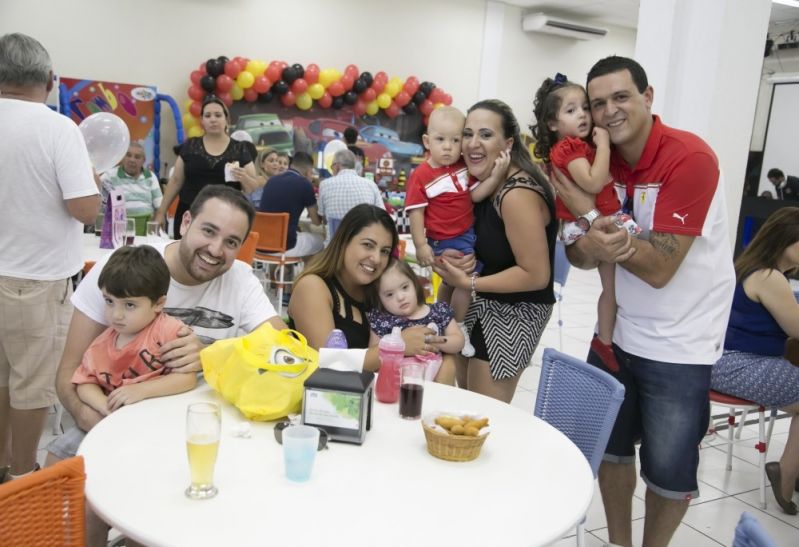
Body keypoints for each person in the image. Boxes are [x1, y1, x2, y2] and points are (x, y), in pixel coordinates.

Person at [551, 56, 735, 547]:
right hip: (614, 334)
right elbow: (577, 251)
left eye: (621, 97)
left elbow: (658, 269)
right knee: (609, 451)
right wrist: (589, 234)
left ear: (648, 97)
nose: (609, 111)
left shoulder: (689, 158)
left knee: (669, 472)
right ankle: (619, 543)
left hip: (680, 345)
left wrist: (592, 216)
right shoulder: (596, 157)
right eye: (597, 103)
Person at [48, 185, 286, 466]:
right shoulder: (122, 271)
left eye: (231, 242)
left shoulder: (241, 281)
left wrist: (212, 355)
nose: (215, 249)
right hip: (115, 416)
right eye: (208, 231)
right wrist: (89, 417)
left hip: (194, 424)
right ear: (185, 223)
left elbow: (283, 348)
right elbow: (68, 373)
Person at [0, 32, 100, 483]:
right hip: (34, 281)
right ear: (48, 80)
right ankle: (22, 477)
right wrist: (92, 181)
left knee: (2, 380)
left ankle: (3, 466)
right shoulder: (58, 128)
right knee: (31, 386)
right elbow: (84, 208)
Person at [433, 100, 556, 404]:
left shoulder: (516, 194)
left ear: (508, 144)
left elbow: (536, 275)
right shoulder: (482, 184)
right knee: (463, 405)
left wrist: (469, 283)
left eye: (486, 135)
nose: (473, 144)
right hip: (475, 306)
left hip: (512, 315)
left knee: (484, 417)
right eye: (468, 134)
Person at [531, 74, 640, 372]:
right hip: (586, 222)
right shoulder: (569, 149)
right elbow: (592, 182)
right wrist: (603, 145)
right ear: (552, 123)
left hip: (594, 217)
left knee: (613, 289)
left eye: (584, 108)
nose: (582, 115)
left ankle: (605, 341)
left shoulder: (578, 146)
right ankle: (605, 341)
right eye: (570, 110)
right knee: (635, 256)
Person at [710, 207, 799, 515]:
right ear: (786, 240)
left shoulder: (749, 266)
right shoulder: (770, 276)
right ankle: (787, 473)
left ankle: (791, 470)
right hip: (739, 364)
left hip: (722, 361)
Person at [405, 106, 507, 359]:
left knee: (451, 283)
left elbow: (473, 196)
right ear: (427, 142)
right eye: (441, 140)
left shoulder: (462, 167)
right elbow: (416, 213)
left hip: (466, 234)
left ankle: (440, 319)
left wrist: (495, 177)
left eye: (455, 140)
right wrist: (421, 245)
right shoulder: (421, 175)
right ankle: (458, 326)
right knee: (464, 281)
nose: (448, 147)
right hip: (443, 239)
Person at [288, 204, 443, 370]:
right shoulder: (312, 287)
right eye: (368, 245)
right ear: (344, 241)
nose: (376, 258)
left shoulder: (381, 290)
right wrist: (398, 346)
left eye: (384, 251)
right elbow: (328, 364)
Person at [72, 246, 196, 417]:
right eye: (109, 301)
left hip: (164, 419)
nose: (116, 315)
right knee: (61, 445)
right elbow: (84, 384)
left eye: (129, 305)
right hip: (118, 421)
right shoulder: (100, 346)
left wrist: (141, 390)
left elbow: (187, 378)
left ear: (159, 304)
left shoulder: (169, 331)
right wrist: (105, 407)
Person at [153, 96, 259, 239]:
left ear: (226, 119)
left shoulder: (240, 149)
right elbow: (176, 181)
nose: (213, 119)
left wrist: (244, 178)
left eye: (218, 115)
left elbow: (252, 188)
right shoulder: (190, 146)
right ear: (202, 121)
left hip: (225, 217)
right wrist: (161, 212)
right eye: (207, 115)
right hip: (189, 213)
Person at [366, 258, 461, 385]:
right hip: (398, 383)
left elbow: (459, 341)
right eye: (389, 294)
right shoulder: (382, 320)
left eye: (405, 287)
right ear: (380, 300)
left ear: (415, 284)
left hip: (436, 380)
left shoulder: (438, 311)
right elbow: (376, 355)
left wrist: (435, 343)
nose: (400, 297)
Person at [258, 151, 324, 259]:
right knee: (322, 241)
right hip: (284, 247)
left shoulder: (271, 181)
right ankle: (306, 274)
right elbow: (316, 222)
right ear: (308, 172)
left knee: (297, 235)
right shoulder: (305, 184)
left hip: (261, 243)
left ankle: (284, 273)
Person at [318, 149, 385, 246]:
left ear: (336, 167)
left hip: (333, 251)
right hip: (362, 250)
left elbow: (323, 218)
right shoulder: (371, 185)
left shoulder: (325, 185)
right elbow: (382, 216)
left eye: (332, 167)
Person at [99, 142, 163, 234]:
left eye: (137, 157)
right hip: (117, 231)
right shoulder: (110, 175)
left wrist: (154, 230)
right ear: (123, 157)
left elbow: (160, 207)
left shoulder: (150, 177)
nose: (132, 160)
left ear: (143, 161)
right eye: (128, 155)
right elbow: (95, 196)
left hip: (146, 231)